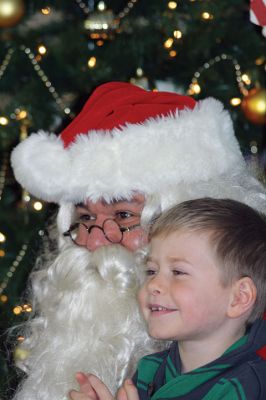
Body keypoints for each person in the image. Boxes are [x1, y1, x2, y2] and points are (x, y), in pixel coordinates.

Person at [10, 81, 266, 400]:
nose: (97, 243)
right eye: (86, 219)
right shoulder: (160, 367)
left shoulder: (242, 379)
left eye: (124, 216)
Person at [69, 198, 266, 400]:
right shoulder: (150, 369)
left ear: (239, 298)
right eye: (151, 271)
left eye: (178, 272)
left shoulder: (245, 386)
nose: (153, 284)